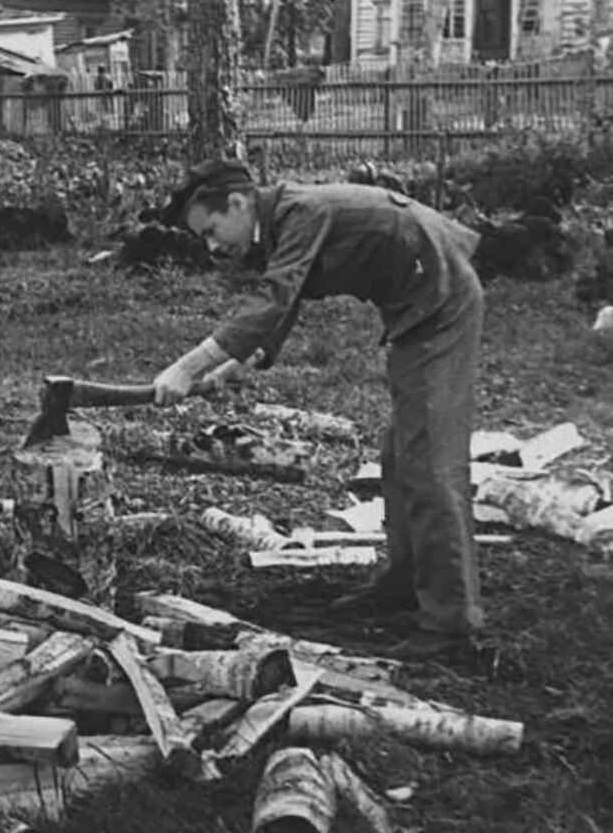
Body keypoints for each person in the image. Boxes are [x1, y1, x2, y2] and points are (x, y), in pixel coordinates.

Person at [153, 158, 484, 659]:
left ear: (239, 204)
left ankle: (450, 623)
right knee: (398, 456)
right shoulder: (281, 220)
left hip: (441, 302)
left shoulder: (300, 212)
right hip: (416, 304)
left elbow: (273, 300)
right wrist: (244, 361)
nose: (213, 246)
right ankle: (404, 583)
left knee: (430, 465)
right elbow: (290, 295)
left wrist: (187, 367)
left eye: (212, 230)